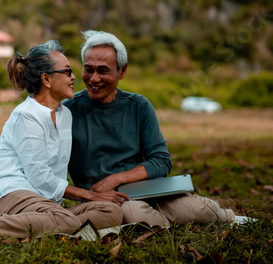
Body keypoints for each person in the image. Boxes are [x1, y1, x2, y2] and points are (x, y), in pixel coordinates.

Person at [0, 40, 123, 240]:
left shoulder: (65, 114)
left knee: (111, 212)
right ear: (46, 79)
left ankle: (42, 225)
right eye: (66, 71)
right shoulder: (27, 115)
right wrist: (90, 195)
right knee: (67, 220)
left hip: (47, 204)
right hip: (12, 194)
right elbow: (39, 177)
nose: (73, 76)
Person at [62, 30, 237, 227]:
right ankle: (167, 228)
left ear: (122, 71)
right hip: (107, 200)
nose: (94, 78)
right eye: (88, 69)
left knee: (200, 210)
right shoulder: (67, 111)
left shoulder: (138, 106)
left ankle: (226, 217)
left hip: (147, 190)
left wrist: (116, 178)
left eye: (103, 71)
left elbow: (161, 161)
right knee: (137, 215)